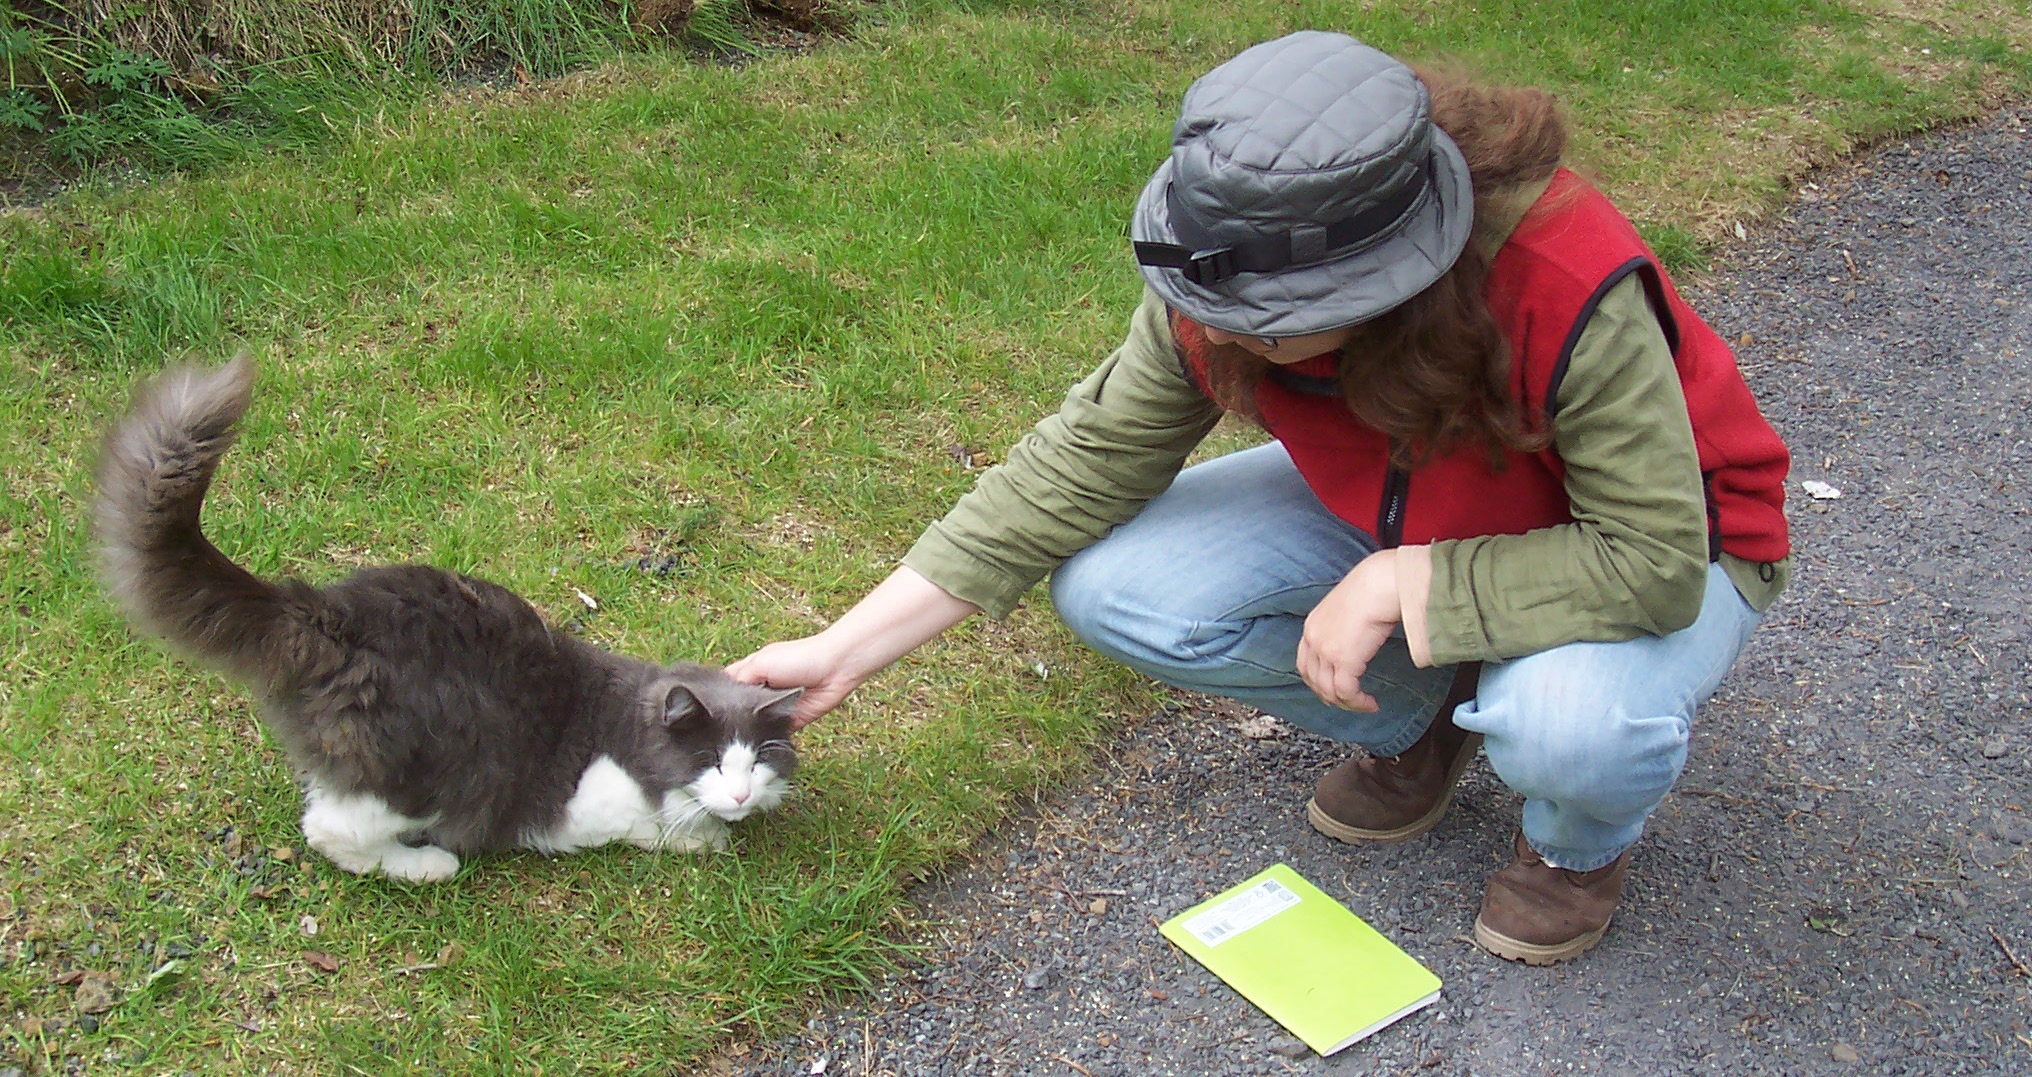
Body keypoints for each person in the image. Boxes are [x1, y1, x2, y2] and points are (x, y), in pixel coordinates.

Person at [727, 30, 1790, 965]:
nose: (1219, 335)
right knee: (1115, 588)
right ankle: (1425, 721)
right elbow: (1082, 459)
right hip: (1411, 501)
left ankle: (1572, 848)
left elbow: (1652, 560)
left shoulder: (1561, 279)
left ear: (1391, 280)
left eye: (1269, 322)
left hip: (1658, 542)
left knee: (1568, 729)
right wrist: (840, 651)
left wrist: (1411, 577)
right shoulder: (1222, 267)